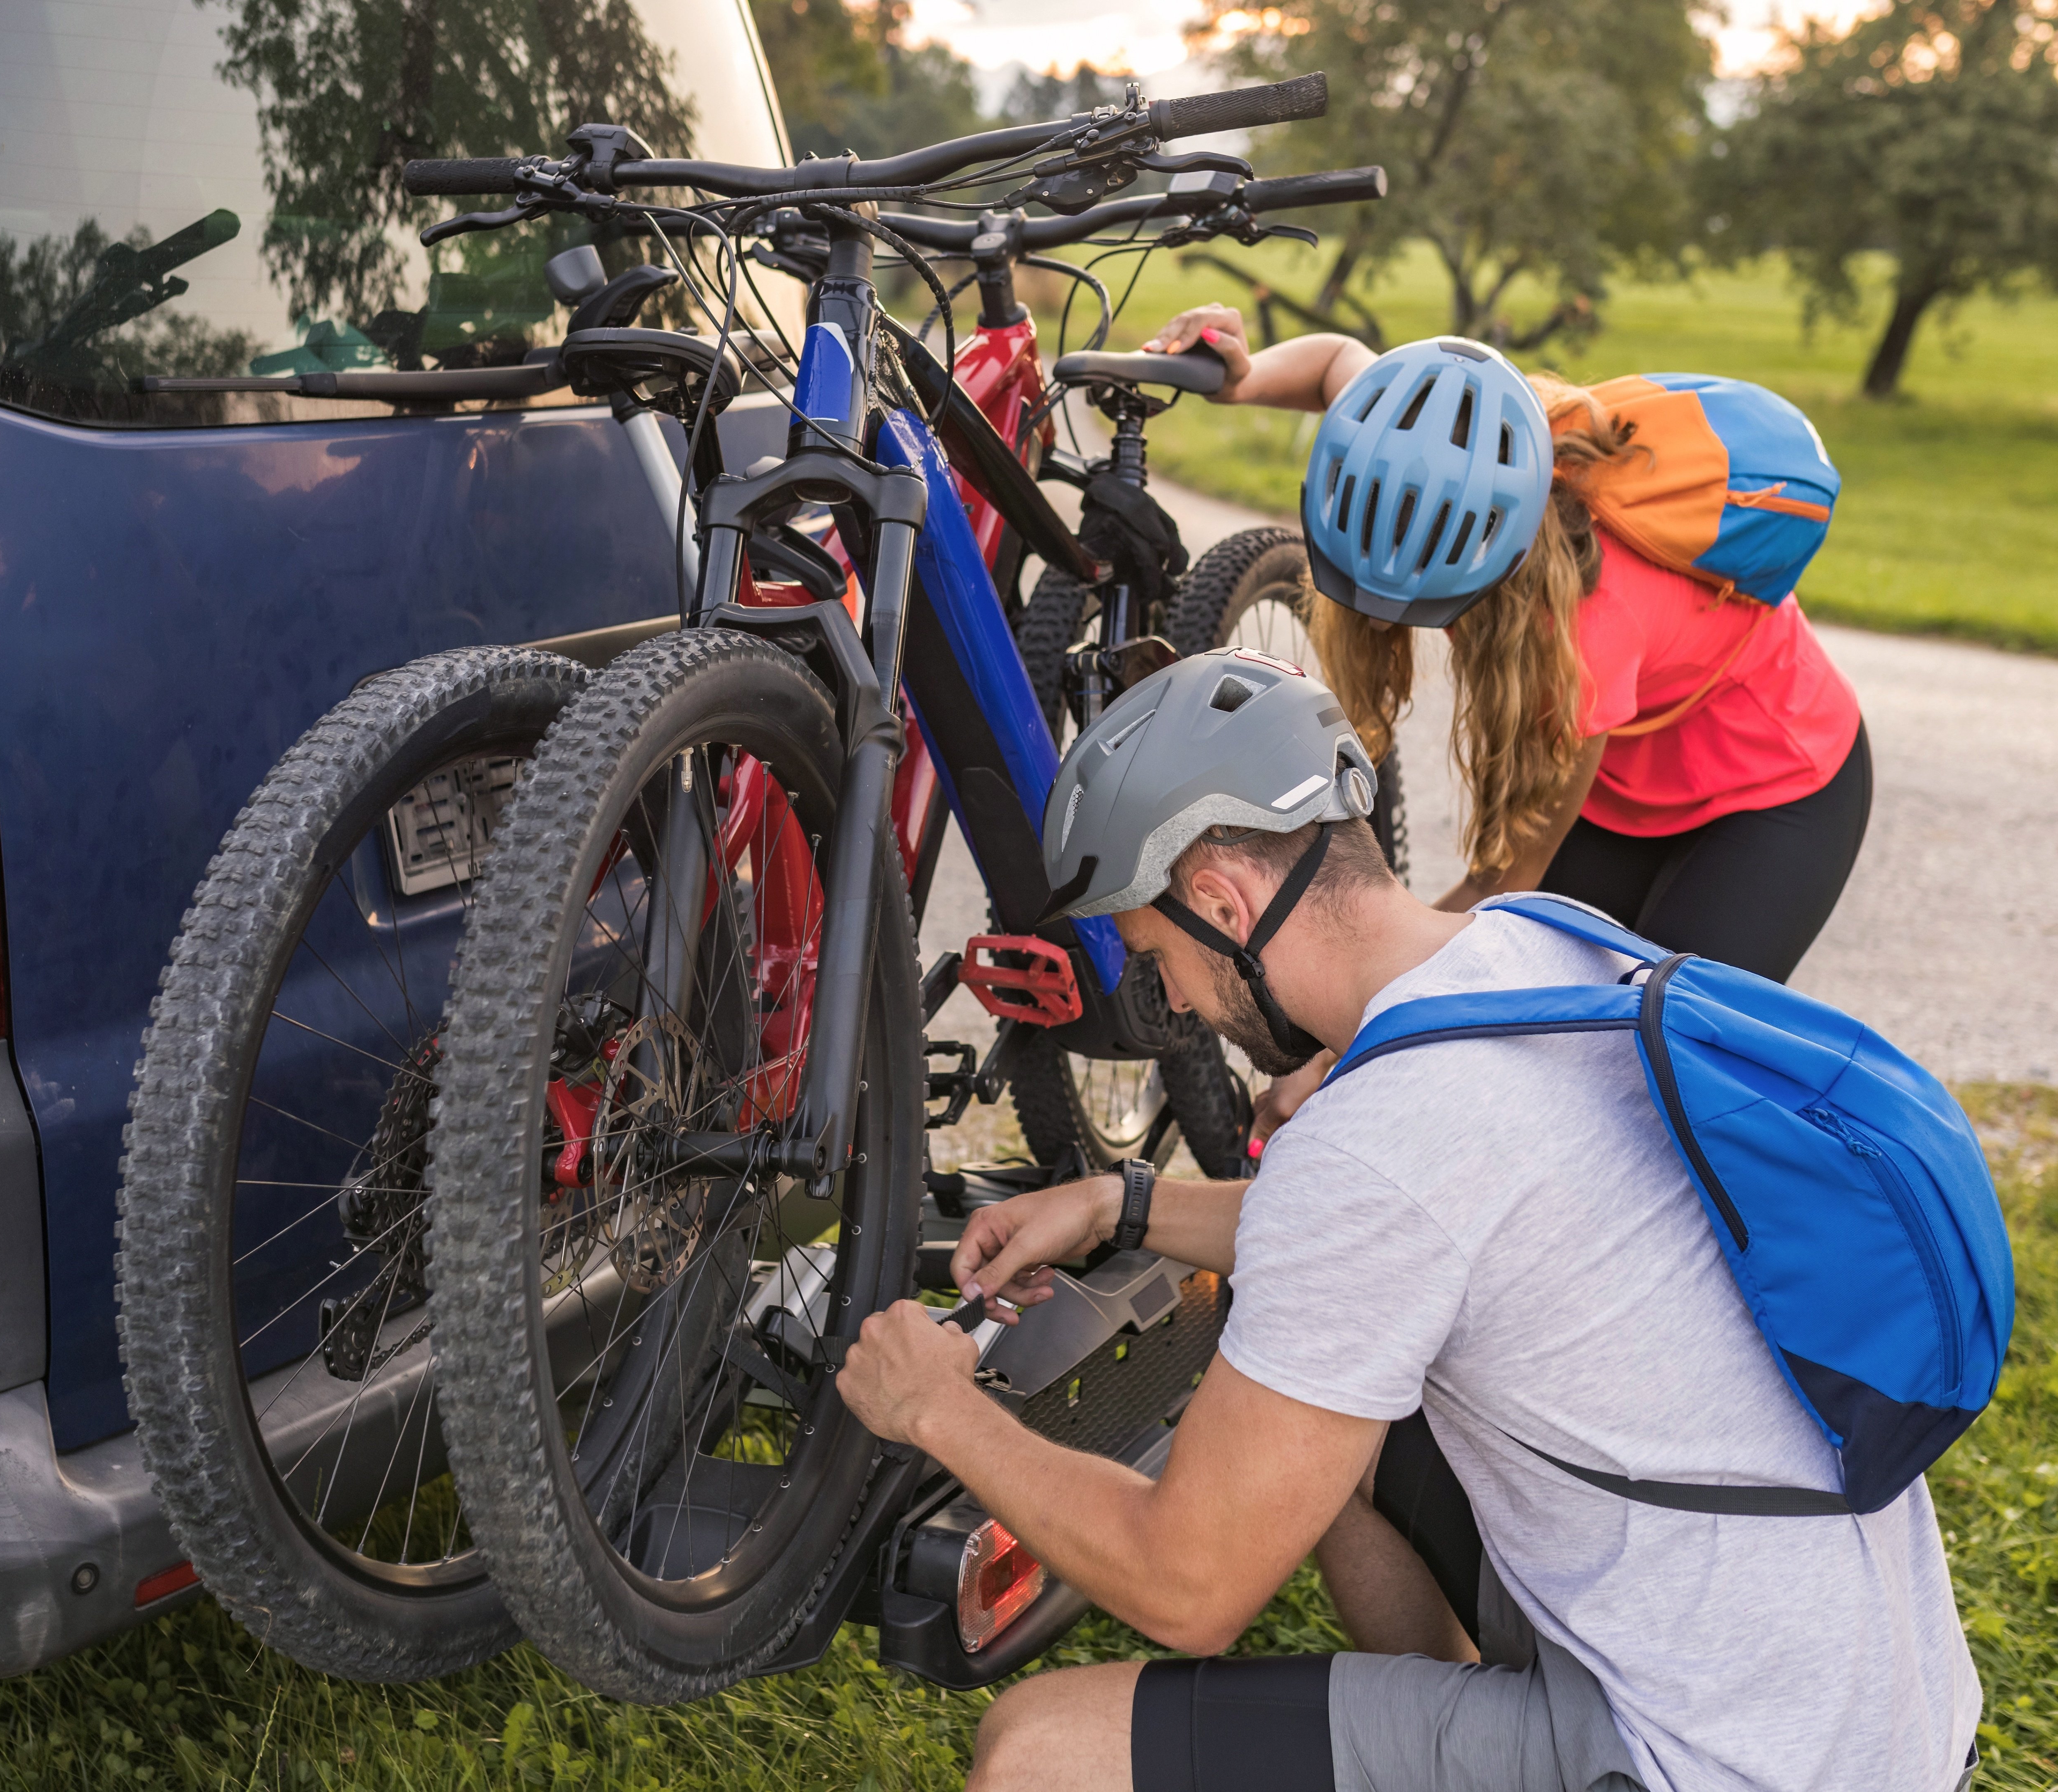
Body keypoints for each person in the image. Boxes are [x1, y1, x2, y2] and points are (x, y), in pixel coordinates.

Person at [835, 648, 1981, 1792]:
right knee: (1336, 1409)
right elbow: (1399, 1230)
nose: (1173, 1000)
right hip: (1865, 1708)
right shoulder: (1536, 945)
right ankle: (1470, 1714)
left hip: (1718, 1760)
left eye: (1157, 957)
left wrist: (939, 1407)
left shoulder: (1380, 1144)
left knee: (1039, 1754)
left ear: (1223, 901)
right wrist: (1120, 1199)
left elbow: (1186, 1584)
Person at [1139, 310, 1874, 1142]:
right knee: (1528, 1032)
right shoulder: (1425, 435)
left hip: (1776, 791)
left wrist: (1339, 1049)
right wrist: (1243, 378)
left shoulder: (1584, 640)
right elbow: (1340, 362)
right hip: (1625, 787)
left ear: (1503, 559)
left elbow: (1501, 892)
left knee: (1657, 1070)